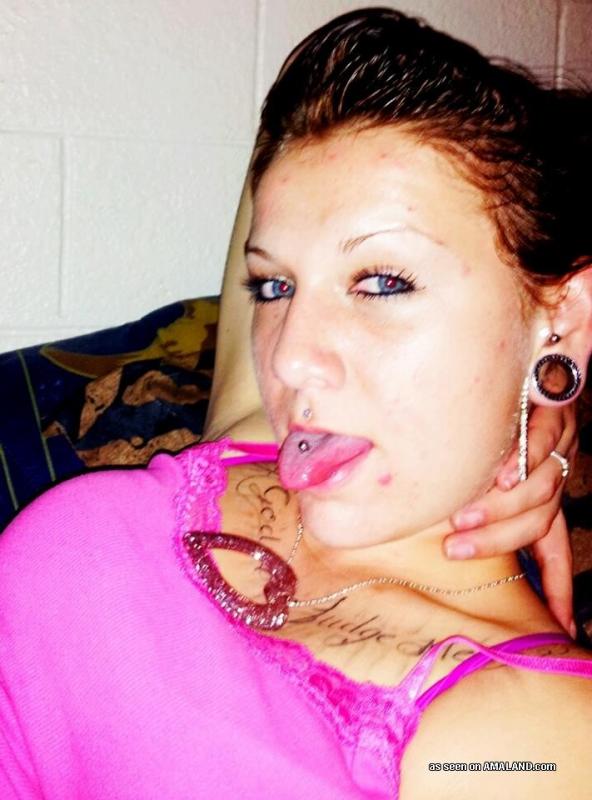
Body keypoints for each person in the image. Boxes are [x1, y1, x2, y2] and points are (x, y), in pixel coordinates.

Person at [1, 7, 591, 798]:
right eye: (275, 286)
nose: (288, 358)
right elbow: (295, 128)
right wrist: (547, 400)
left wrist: (547, 367)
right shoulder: (258, 439)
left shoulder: (537, 739)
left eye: (382, 282)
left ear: (569, 314)